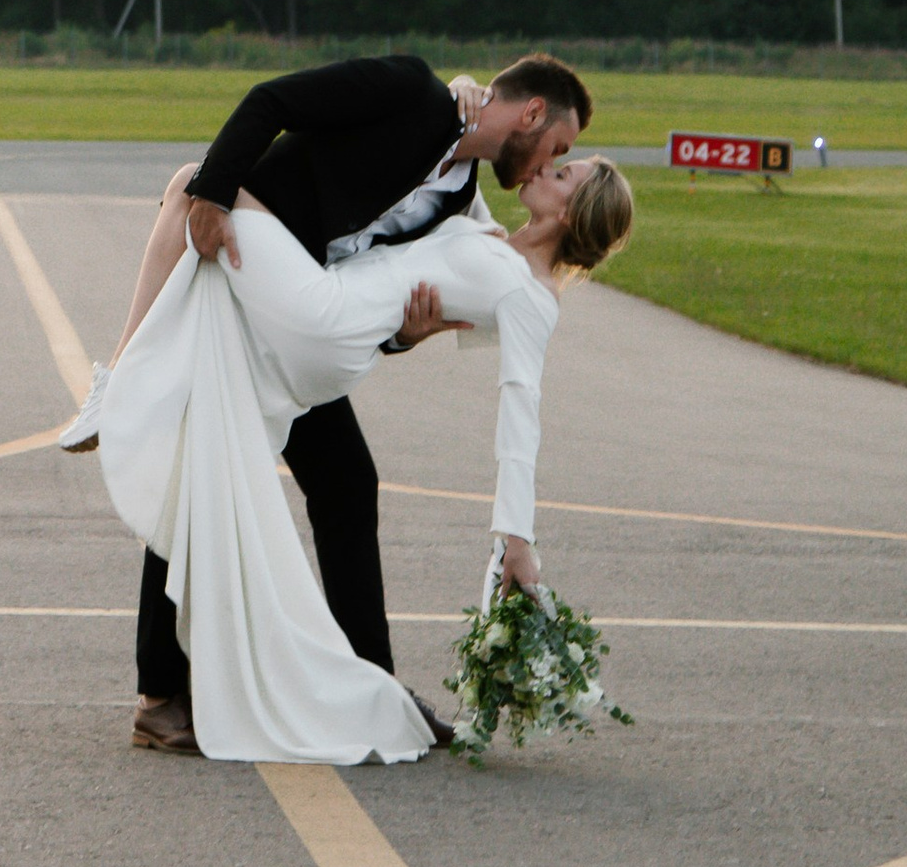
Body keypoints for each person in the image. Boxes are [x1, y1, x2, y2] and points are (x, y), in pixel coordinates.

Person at [60, 53, 595, 756]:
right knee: (199, 464)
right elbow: (271, 99)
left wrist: (408, 336)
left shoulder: (463, 198)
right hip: (253, 286)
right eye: (557, 149)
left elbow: (396, 278)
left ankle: (373, 691)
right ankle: (161, 697)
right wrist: (216, 197)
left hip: (305, 323)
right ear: (530, 115)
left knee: (346, 485)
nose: (544, 166)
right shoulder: (410, 91)